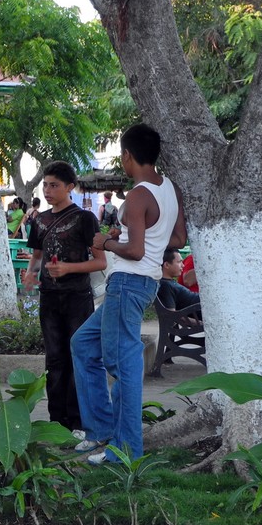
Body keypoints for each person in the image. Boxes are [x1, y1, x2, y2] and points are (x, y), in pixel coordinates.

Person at [72, 125, 186, 465]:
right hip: (141, 282)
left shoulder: (138, 195)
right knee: (83, 344)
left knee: (123, 365)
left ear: (128, 156)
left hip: (128, 282)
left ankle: (124, 451)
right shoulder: (168, 188)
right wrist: (127, 237)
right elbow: (176, 239)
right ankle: (103, 430)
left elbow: (135, 251)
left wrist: (106, 243)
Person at [21, 161, 107, 432]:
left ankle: (79, 420)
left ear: (70, 187)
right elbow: (37, 253)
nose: (48, 190)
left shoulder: (84, 218)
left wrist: (68, 268)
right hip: (49, 297)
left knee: (78, 356)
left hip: (77, 297)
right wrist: (30, 273)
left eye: (54, 185)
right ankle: (56, 422)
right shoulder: (39, 219)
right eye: (45, 185)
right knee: (54, 359)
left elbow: (101, 261)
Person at [158, 248, 201, 313]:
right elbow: (171, 315)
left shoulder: (169, 283)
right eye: (179, 262)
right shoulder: (165, 285)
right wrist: (199, 322)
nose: (183, 265)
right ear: (166, 265)